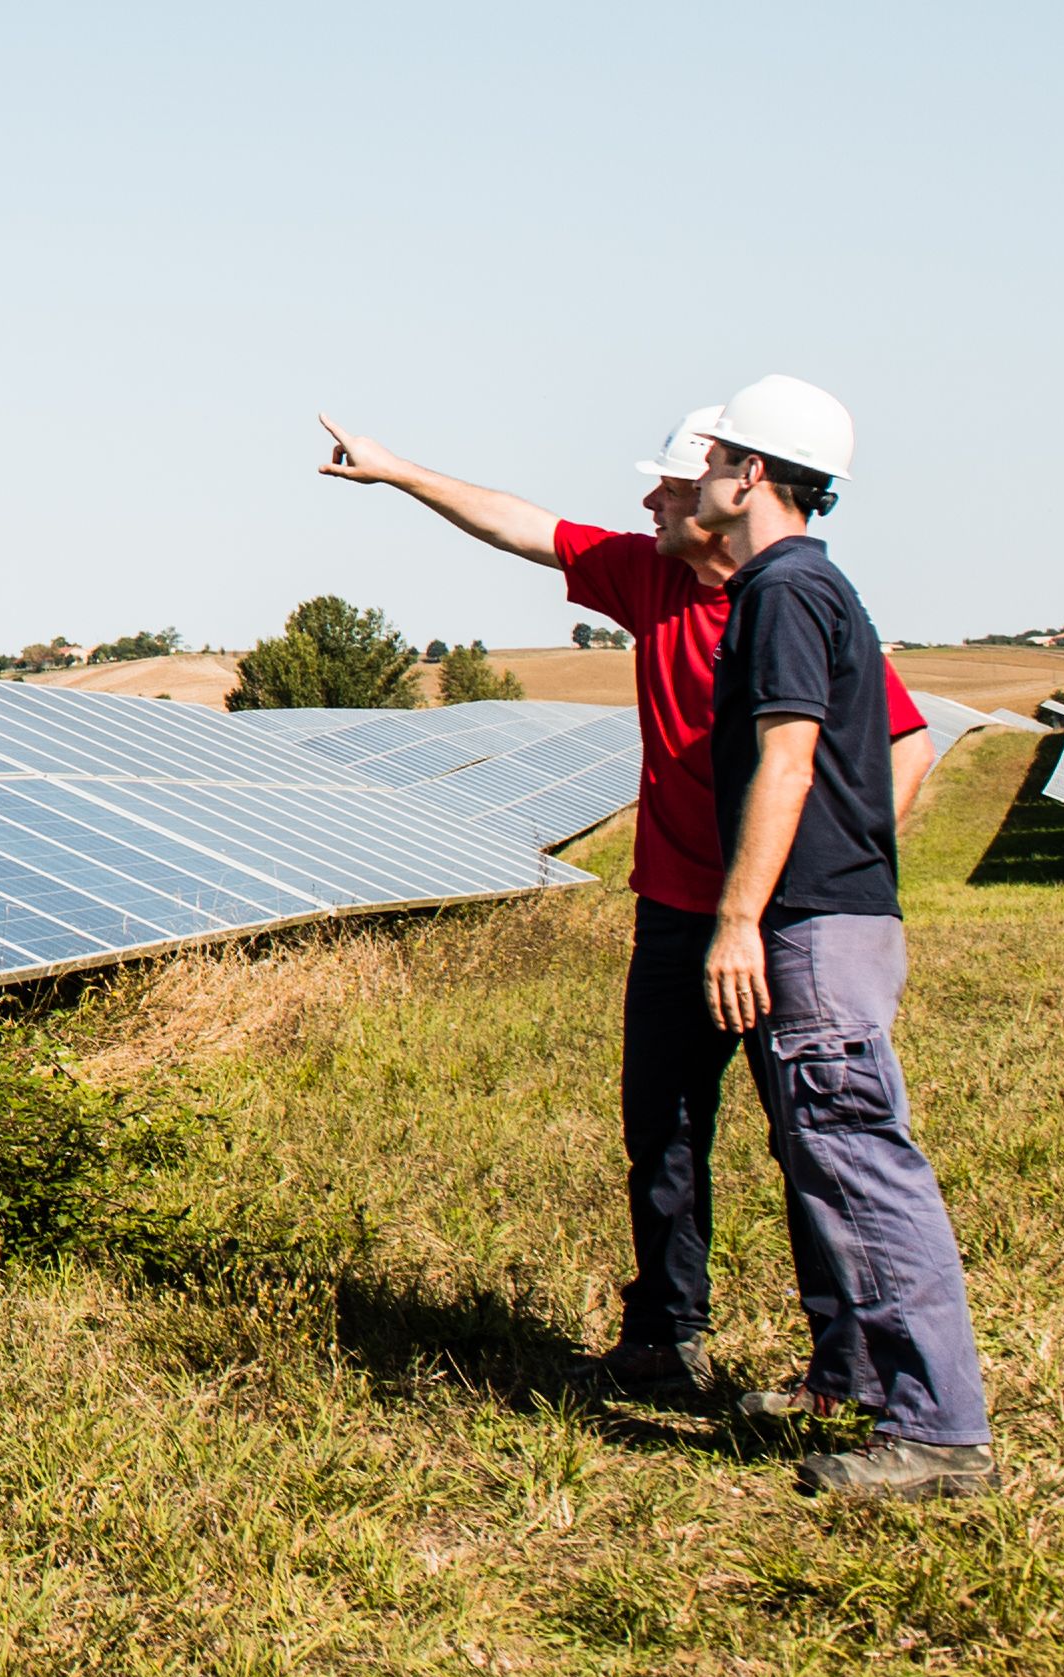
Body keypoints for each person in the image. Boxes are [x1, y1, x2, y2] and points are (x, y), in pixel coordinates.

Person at [308, 403, 929, 1414]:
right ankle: (664, 1337)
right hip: (678, 914)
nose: (649, 504)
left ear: (727, 499)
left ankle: (843, 1361)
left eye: (670, 490)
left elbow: (908, 743)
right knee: (666, 1127)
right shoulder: (652, 578)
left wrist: (837, 870)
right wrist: (395, 470)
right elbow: (521, 523)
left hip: (775, 922)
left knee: (808, 1137)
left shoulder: (788, 608)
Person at [693, 376, 993, 1499]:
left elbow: (788, 756)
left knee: (862, 1161)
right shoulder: (821, 586)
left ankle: (939, 1432)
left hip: (813, 925)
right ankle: (862, 1381)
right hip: (845, 912)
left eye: (718, 452)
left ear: (753, 473)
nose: (704, 469)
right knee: (831, 1155)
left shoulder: (780, 593)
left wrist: (737, 922)